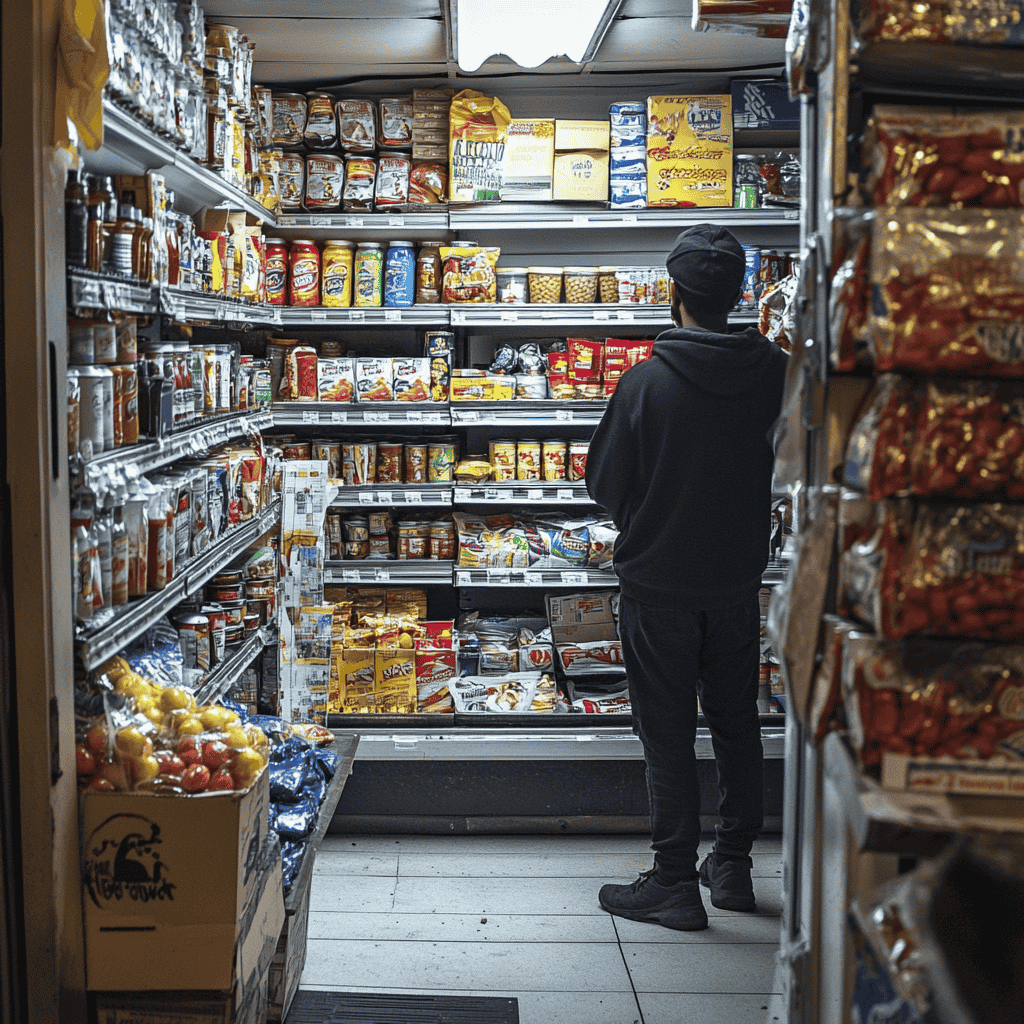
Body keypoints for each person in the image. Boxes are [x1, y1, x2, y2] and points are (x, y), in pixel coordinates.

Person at [585, 223, 788, 931]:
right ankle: (732, 865)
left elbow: (604, 487)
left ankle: (673, 881)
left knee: (667, 732)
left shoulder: (645, 382)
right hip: (735, 583)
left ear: (675, 294)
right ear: (739, 295)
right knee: (738, 722)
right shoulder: (774, 373)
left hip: (657, 585)